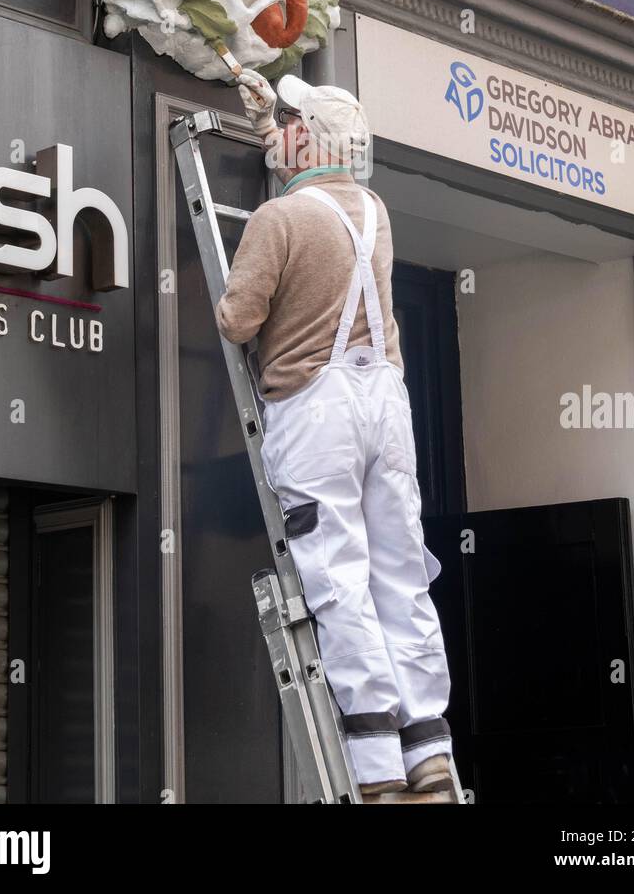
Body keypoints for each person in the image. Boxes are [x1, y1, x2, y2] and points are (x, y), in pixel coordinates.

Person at [214, 66, 455, 799]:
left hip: (316, 416)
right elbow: (308, 180)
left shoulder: (277, 221)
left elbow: (237, 319)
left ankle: (377, 770)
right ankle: (430, 757)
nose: (276, 137)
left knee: (339, 581)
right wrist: (272, 123)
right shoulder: (374, 211)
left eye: (286, 126)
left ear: (305, 138)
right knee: (401, 577)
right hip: (385, 406)